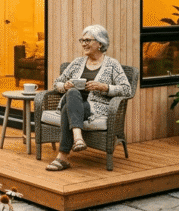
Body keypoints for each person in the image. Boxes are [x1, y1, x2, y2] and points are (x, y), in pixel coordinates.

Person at [45, 25, 131, 172]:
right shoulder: (77, 63)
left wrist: (104, 87)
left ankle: (63, 157)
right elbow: (56, 83)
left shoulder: (112, 65)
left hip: (93, 108)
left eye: (88, 40)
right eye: (82, 40)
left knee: (67, 109)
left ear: (100, 43)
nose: (84, 43)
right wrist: (65, 86)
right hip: (72, 99)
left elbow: (127, 89)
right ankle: (77, 137)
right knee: (72, 93)